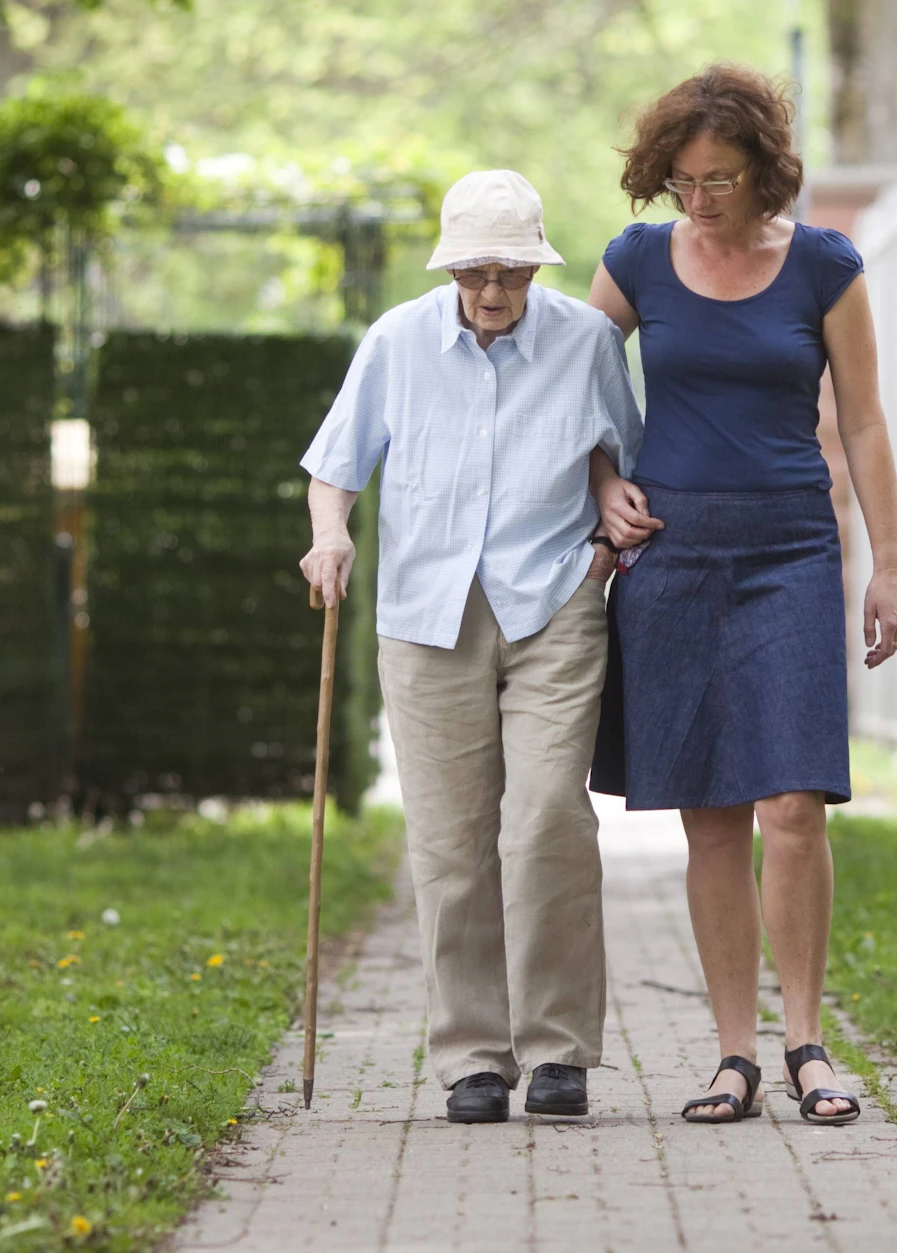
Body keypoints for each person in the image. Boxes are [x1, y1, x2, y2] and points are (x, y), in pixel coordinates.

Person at [586, 64, 897, 1127]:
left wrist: (890, 564)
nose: (699, 198)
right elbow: (570, 393)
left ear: (762, 169)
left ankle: (806, 1040)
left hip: (788, 552)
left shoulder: (822, 265)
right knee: (711, 818)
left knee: (793, 804)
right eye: (680, 180)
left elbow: (860, 421)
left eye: (719, 177)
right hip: (671, 557)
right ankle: (734, 1054)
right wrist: (602, 485)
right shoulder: (636, 261)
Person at [298, 169, 642, 1124]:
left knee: (545, 821)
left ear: (538, 265)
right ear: (451, 266)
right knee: (450, 842)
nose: (495, 290)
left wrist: (610, 509)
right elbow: (334, 469)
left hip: (554, 601)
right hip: (426, 616)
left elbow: (623, 452)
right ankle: (472, 1057)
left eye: (514, 270)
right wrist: (331, 533)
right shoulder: (397, 343)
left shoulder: (586, 341)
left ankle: (561, 1049)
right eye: (478, 270)